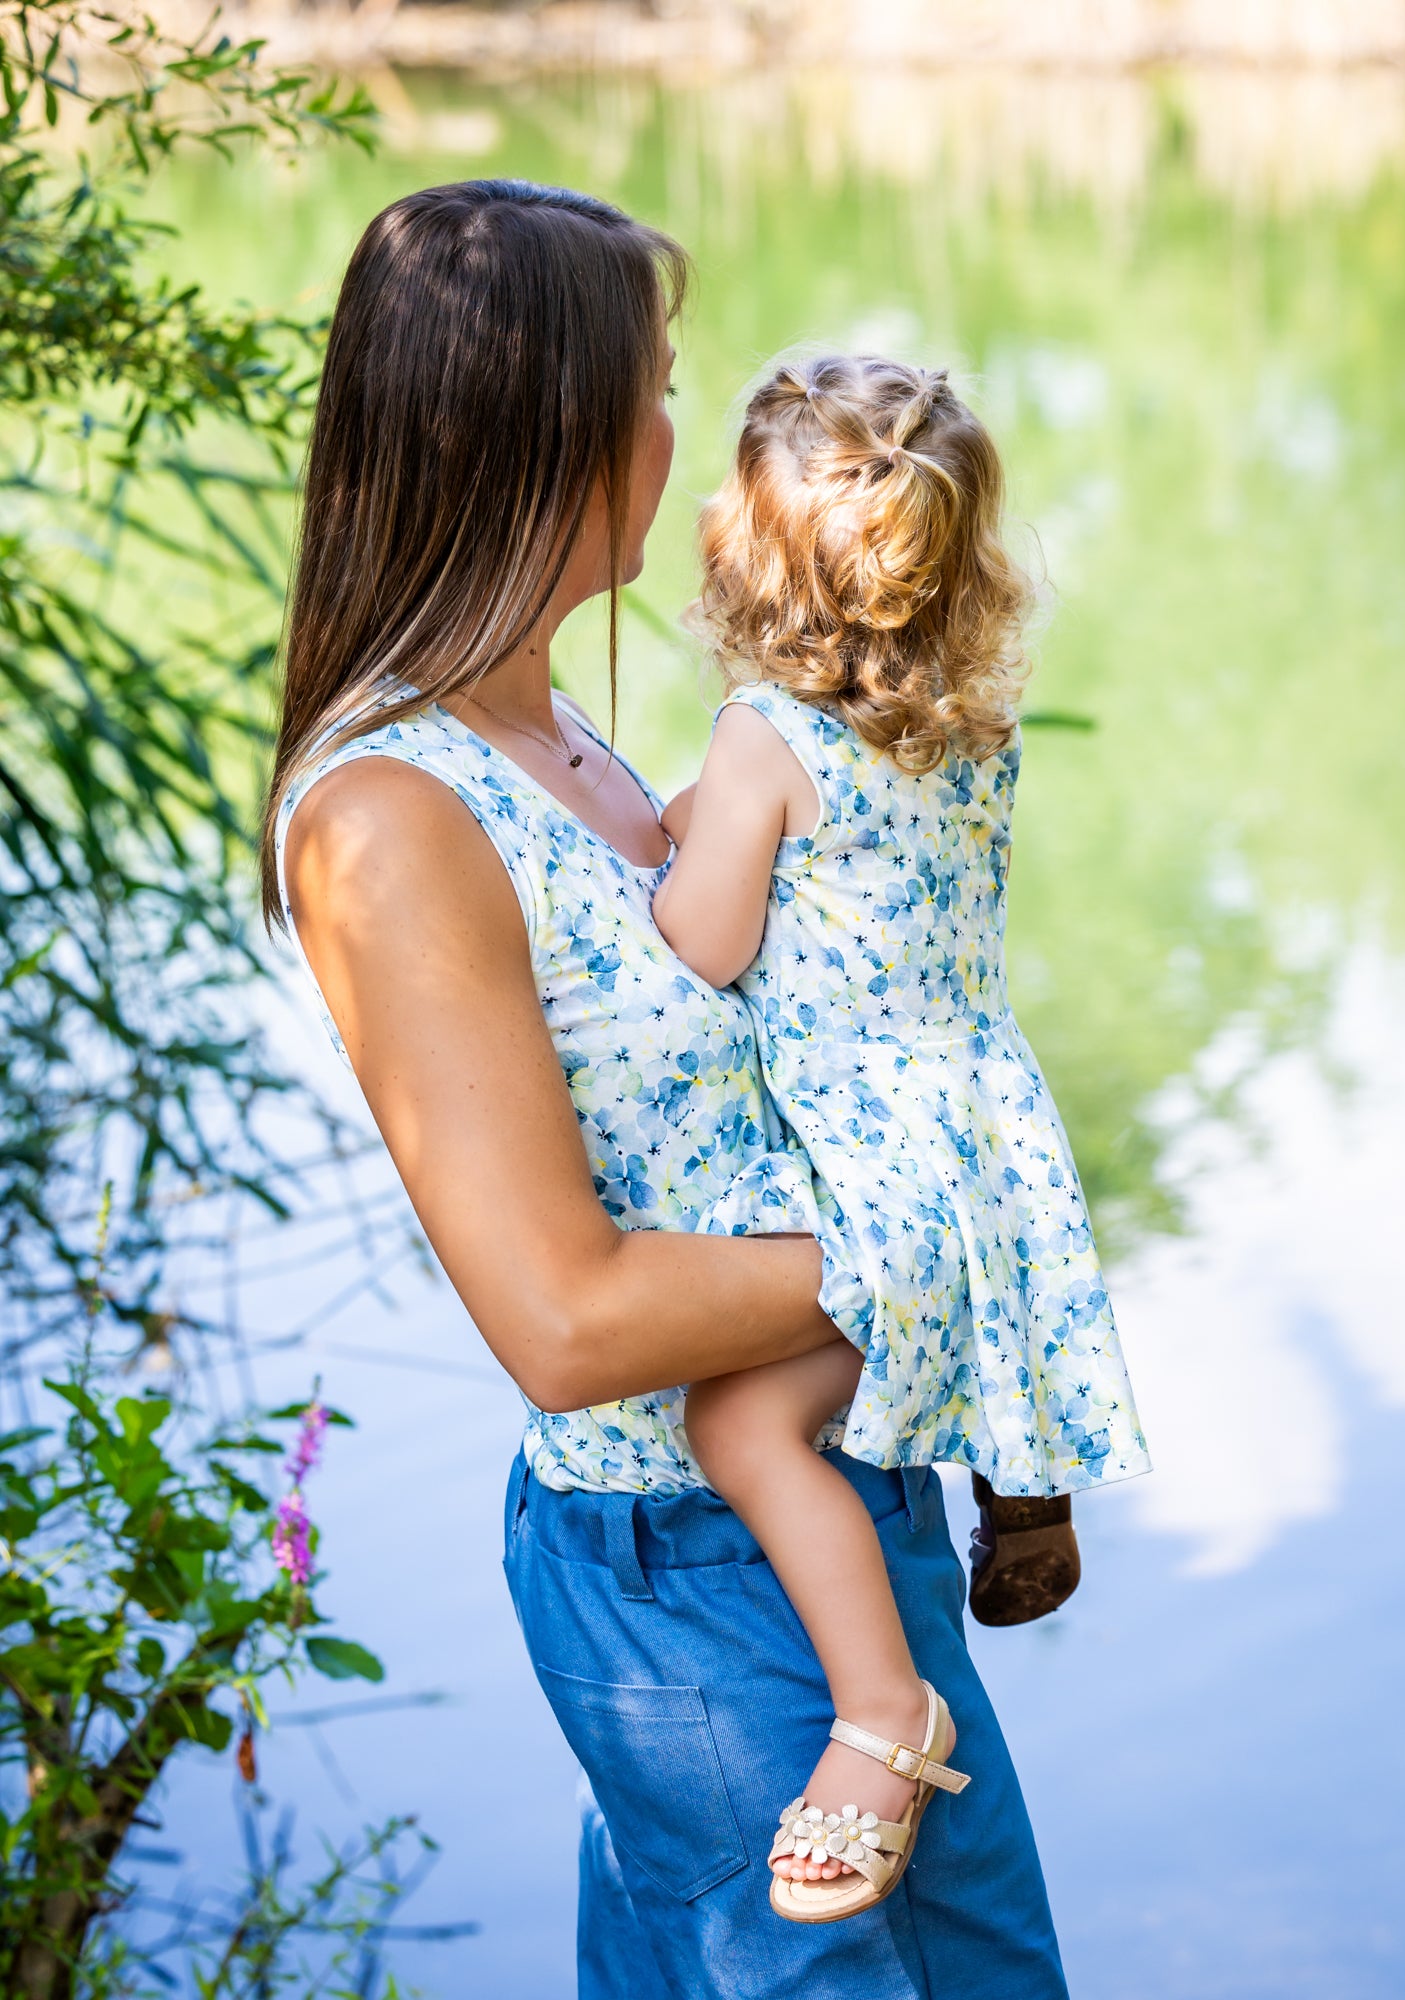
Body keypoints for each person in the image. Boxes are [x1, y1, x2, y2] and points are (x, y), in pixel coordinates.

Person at [264, 179, 1069, 1997]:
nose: (674, 431)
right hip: (685, 1559)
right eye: (656, 387)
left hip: (839, 1495)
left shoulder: (570, 743)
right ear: (548, 431)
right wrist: (939, 1254)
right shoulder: (393, 816)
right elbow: (562, 1320)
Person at [652, 354, 1150, 1923]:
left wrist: (667, 852)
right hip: (980, 1140)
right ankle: (1020, 1478)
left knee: (741, 1425)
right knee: (910, 1338)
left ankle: (885, 1708)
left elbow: (710, 943)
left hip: (868, 1165)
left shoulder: (759, 741)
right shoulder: (979, 736)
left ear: (745, 555)